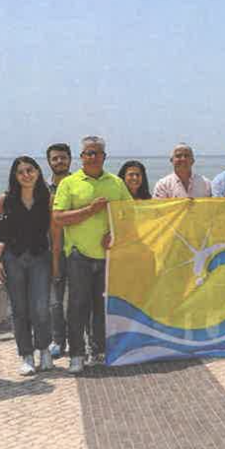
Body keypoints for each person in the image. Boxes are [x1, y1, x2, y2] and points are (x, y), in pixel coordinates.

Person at [52, 136, 133, 373]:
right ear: (82, 157)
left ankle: (97, 351)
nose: (93, 157)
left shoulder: (116, 183)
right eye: (89, 153)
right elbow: (58, 217)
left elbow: (130, 214)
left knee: (101, 307)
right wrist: (90, 210)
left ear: (104, 157)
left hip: (107, 256)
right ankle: (76, 354)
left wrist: (115, 233)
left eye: (97, 153)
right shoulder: (69, 183)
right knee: (77, 306)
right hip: (78, 255)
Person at [0, 157, 53, 375]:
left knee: (41, 308)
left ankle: (44, 350)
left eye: (30, 170)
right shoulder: (5, 199)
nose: (26, 175)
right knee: (19, 309)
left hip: (40, 258)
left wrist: (57, 261)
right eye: (21, 172)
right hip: (13, 259)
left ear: (38, 172)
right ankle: (27, 355)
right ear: (15, 176)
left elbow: (54, 232)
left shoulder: (47, 198)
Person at [45, 142, 72, 359]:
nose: (59, 161)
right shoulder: (42, 190)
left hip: (77, 250)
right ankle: (57, 341)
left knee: (78, 301)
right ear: (49, 162)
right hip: (50, 250)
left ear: (70, 159)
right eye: (55, 158)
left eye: (63, 157)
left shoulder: (78, 185)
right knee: (54, 301)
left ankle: (79, 340)